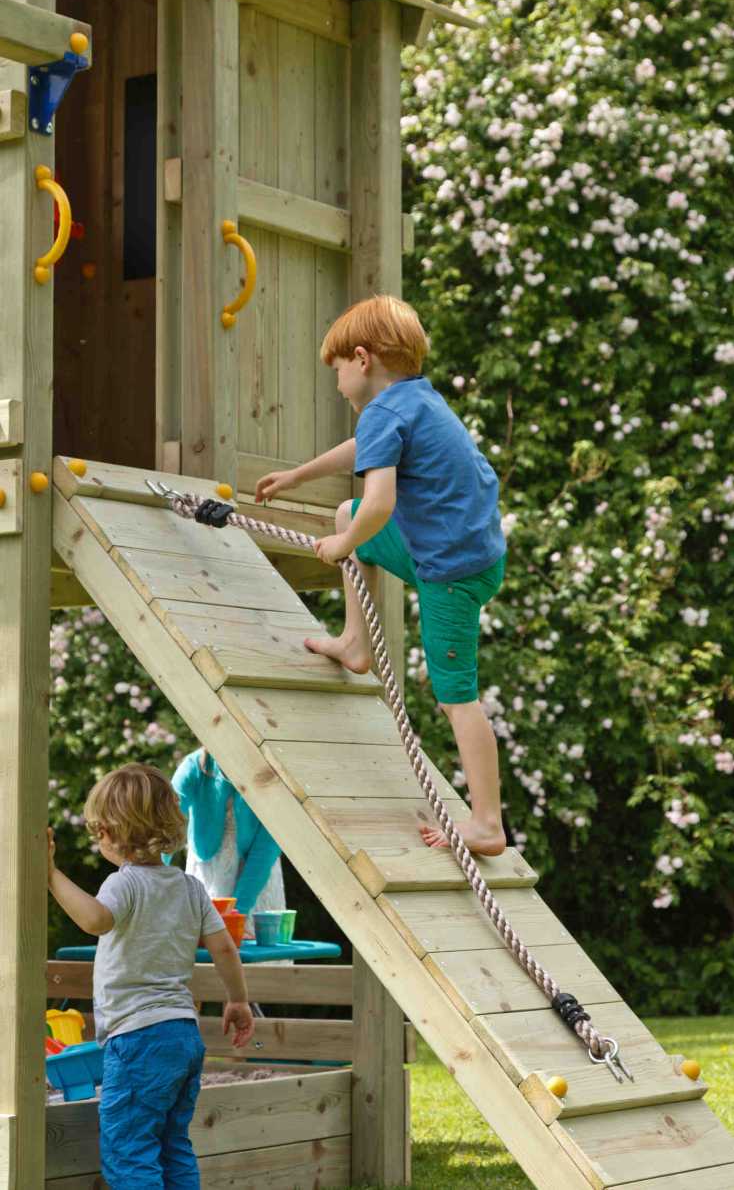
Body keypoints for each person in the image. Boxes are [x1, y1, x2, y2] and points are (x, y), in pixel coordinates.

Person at [255, 294, 508, 857]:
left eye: (338, 369)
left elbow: (378, 506)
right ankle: (353, 643)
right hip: (467, 552)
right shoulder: (414, 401)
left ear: (363, 359)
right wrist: (298, 475)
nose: (338, 381)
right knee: (345, 512)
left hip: (451, 574)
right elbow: (360, 453)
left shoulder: (385, 412)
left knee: (456, 696)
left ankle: (487, 822)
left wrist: (341, 546)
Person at [47, 762, 255, 1189]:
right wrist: (236, 1000)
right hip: (182, 1034)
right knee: (172, 1144)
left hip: (137, 1038)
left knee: (130, 1150)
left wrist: (49, 875)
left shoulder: (123, 884)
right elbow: (224, 949)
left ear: (109, 831)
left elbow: (94, 920)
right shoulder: (189, 887)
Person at [169, 749, 285, 937]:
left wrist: (235, 916)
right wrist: (148, 882)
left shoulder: (272, 774)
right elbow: (165, 824)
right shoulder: (194, 767)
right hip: (208, 875)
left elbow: (265, 850)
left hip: (256, 879)